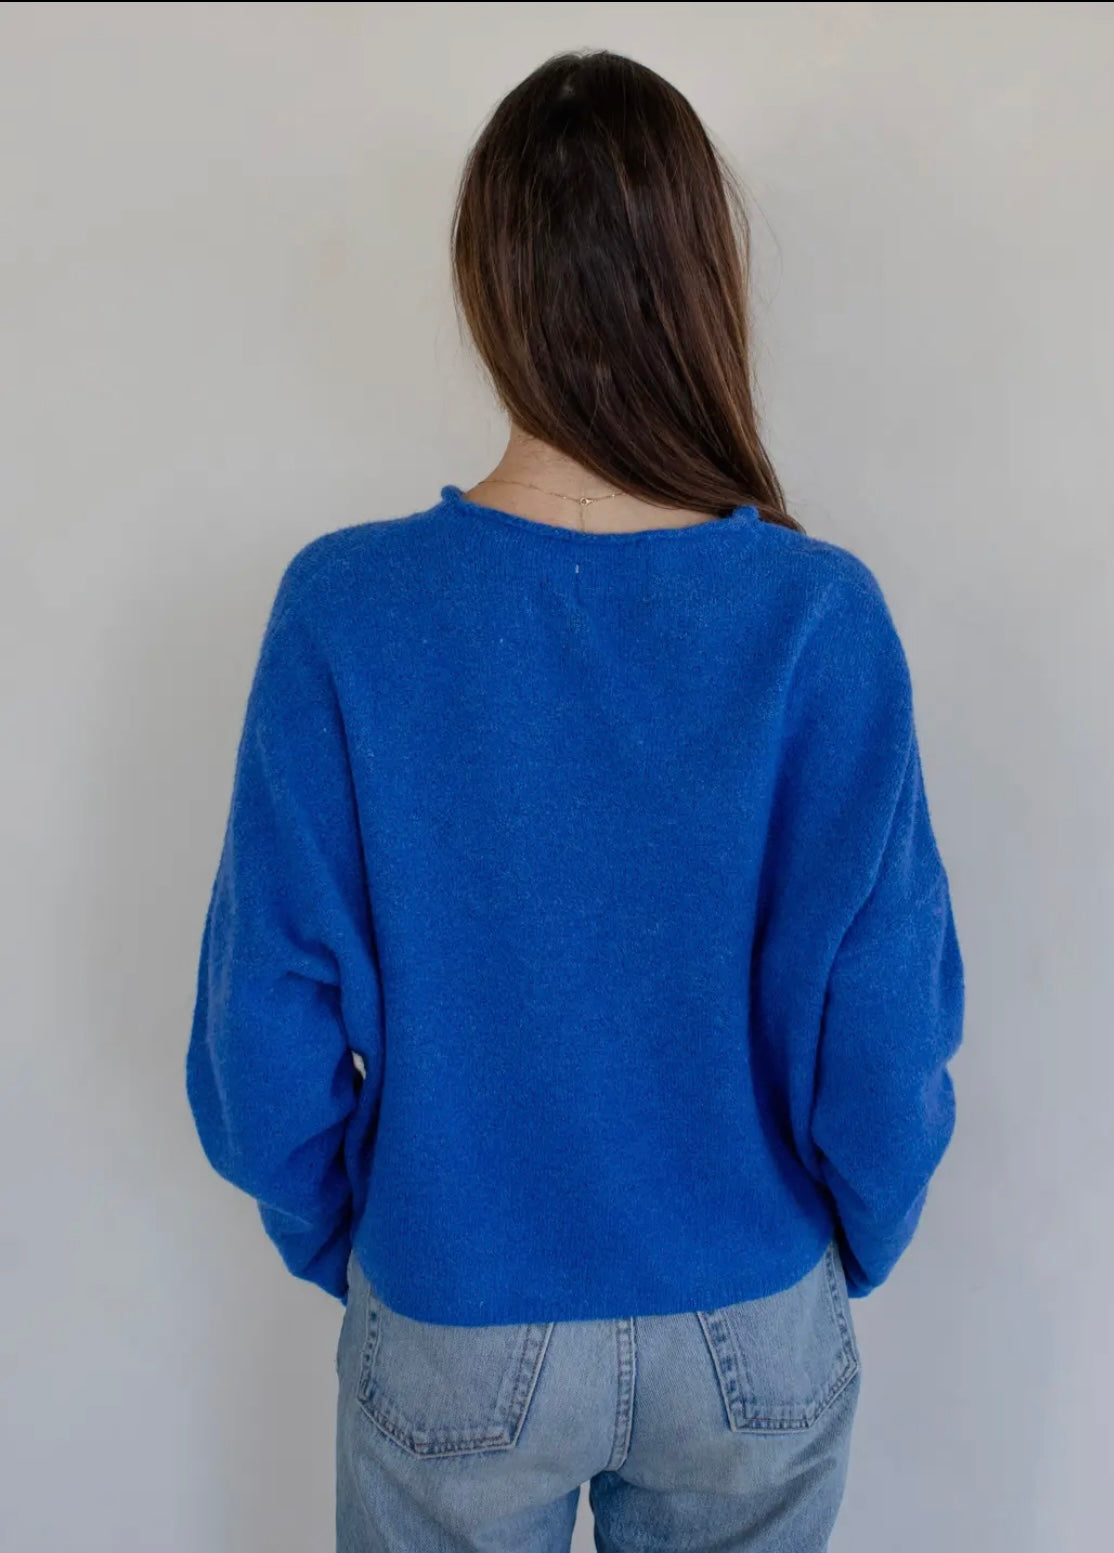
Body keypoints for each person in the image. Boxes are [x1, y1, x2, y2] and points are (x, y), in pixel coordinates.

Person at [185, 47, 964, 1553]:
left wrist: (368, 1241)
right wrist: (839, 1246)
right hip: (752, 1308)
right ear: (703, 284)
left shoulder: (347, 611)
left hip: (453, 1296)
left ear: (490, 286)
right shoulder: (819, 618)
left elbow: (258, 1046)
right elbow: (881, 1038)